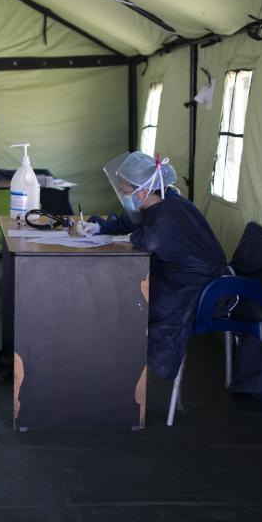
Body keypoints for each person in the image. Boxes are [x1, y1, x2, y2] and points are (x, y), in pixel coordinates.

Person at [90, 152, 229, 379]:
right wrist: (101, 228)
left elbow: (150, 239)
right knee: (128, 299)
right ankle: (121, 368)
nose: (125, 197)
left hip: (199, 286)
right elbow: (132, 221)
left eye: (126, 192)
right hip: (181, 276)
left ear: (143, 192)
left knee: (135, 306)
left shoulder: (170, 213)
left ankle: (128, 377)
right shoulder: (160, 202)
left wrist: (129, 238)